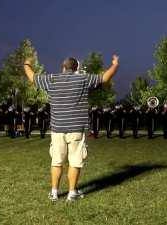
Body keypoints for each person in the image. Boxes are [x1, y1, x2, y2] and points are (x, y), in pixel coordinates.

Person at [24, 54, 119, 201]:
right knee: (75, 161)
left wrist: (27, 63)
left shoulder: (52, 79)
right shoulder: (82, 79)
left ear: (63, 67)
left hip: (57, 129)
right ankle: (71, 193)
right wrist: (115, 64)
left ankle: (54, 192)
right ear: (77, 68)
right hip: (76, 128)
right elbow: (104, 78)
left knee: (56, 161)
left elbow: (32, 77)